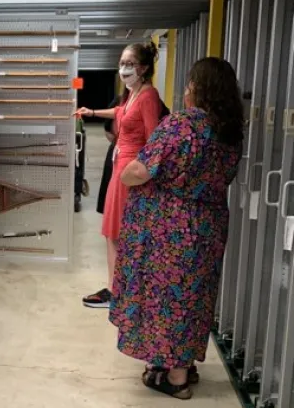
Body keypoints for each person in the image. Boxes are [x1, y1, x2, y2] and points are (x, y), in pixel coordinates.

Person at [110, 57, 244, 399]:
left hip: (170, 229)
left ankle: (175, 377)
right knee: (194, 296)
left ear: (199, 88)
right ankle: (178, 363)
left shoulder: (181, 125)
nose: (186, 90)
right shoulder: (230, 132)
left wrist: (125, 174)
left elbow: (142, 170)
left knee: (164, 297)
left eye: (189, 84)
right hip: (209, 227)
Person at [76, 41, 165, 309]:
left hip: (131, 173)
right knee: (112, 232)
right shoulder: (132, 94)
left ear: (144, 68)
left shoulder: (149, 97)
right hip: (120, 169)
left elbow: (153, 141)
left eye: (129, 64)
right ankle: (116, 288)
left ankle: (122, 292)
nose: (124, 68)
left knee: (121, 234)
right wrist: (90, 111)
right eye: (121, 63)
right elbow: (120, 112)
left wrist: (144, 176)